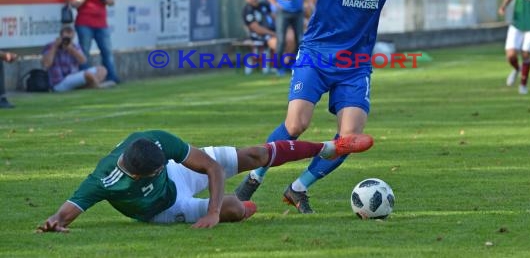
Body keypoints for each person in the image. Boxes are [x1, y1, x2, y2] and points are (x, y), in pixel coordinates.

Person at [235, 0, 491, 213]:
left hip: (355, 65)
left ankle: (298, 189)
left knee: (350, 137)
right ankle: (254, 177)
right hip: (316, 55)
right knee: (296, 125)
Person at [36, 129, 373, 232]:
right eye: (155, 171)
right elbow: (62, 216)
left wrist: (209, 212)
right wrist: (54, 223)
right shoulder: (103, 181)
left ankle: (328, 147)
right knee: (230, 206)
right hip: (165, 208)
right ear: (137, 175)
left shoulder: (154, 142)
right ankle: (244, 208)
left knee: (253, 155)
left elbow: (211, 167)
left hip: (177, 175)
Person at [68, 0, 120, 83]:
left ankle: (112, 77)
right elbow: (74, 3)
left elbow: (111, 2)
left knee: (107, 52)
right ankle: (85, 78)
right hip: (84, 25)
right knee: (84, 53)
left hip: (102, 25)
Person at [257, 0, 305, 75]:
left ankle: (294, 65)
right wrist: (273, 2)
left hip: (298, 11)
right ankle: (278, 67)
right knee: (281, 39)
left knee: (299, 39)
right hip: (283, 11)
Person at [41, 26, 108, 92]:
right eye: (65, 38)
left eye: (69, 39)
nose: (66, 41)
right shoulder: (50, 46)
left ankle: (88, 86)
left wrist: (71, 49)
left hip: (73, 76)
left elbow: (83, 61)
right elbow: (46, 64)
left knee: (102, 70)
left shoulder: (74, 46)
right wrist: (55, 47)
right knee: (88, 75)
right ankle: (98, 86)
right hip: (59, 82)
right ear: (60, 37)